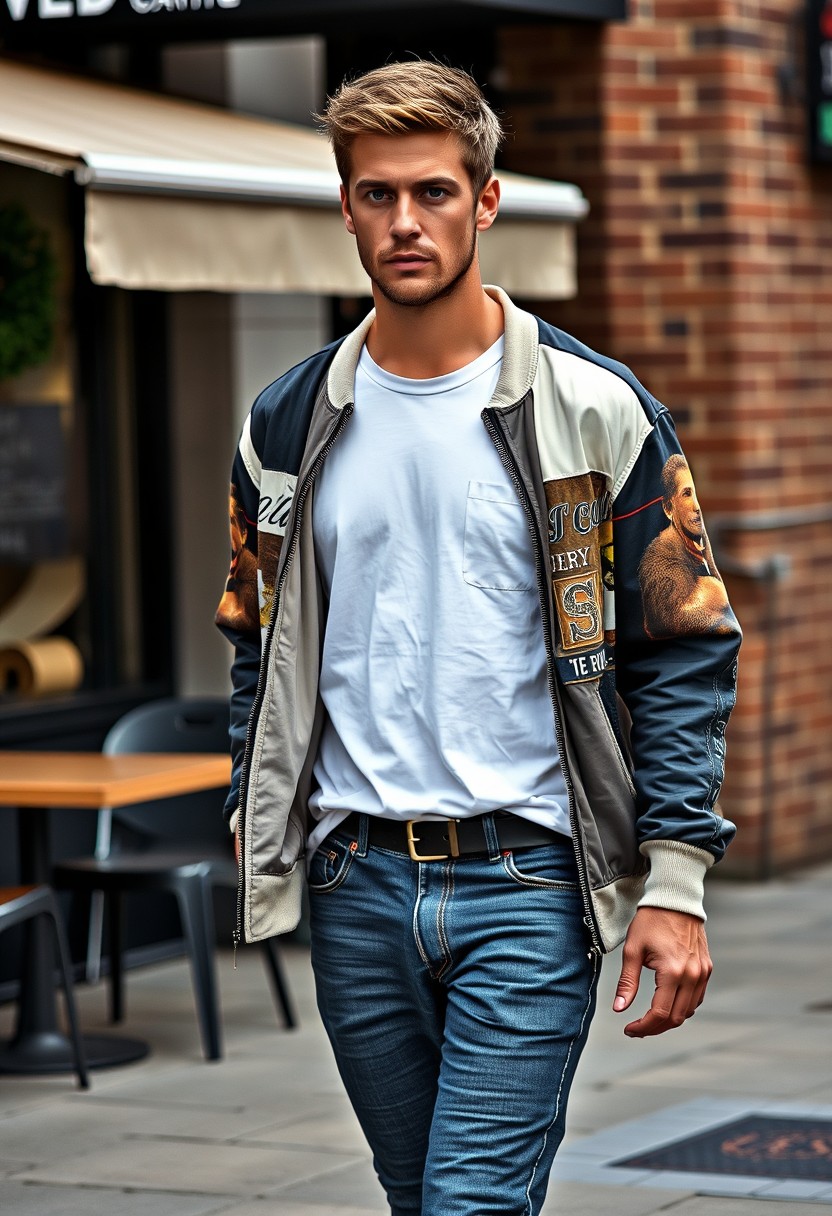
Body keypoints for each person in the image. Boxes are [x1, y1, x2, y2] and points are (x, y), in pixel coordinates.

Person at [216, 61, 742, 1216]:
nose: (404, 222)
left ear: (485, 201)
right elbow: (256, 638)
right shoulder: (288, 422)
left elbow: (687, 644)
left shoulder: (593, 408)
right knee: (421, 1200)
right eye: (375, 195)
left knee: (468, 1204)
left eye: (434, 192)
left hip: (529, 880)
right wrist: (263, 820)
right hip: (356, 879)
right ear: (346, 206)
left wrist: (677, 879)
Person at [638, 454, 734, 638]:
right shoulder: (660, 560)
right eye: (686, 494)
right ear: (668, 507)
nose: (696, 506)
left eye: (695, 494)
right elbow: (668, 622)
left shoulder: (697, 547)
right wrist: (715, 597)